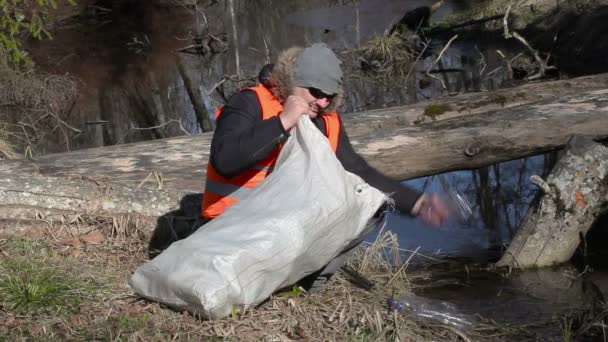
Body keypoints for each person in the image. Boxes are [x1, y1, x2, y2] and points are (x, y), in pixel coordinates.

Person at [198, 43, 450, 291]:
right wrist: (283, 121)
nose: (321, 102)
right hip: (230, 228)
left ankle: (309, 283)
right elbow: (225, 161)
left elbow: (357, 171)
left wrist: (415, 202)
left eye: (328, 95)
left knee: (370, 204)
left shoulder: (326, 118)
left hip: (280, 227)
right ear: (292, 81)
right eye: (315, 92)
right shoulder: (250, 102)